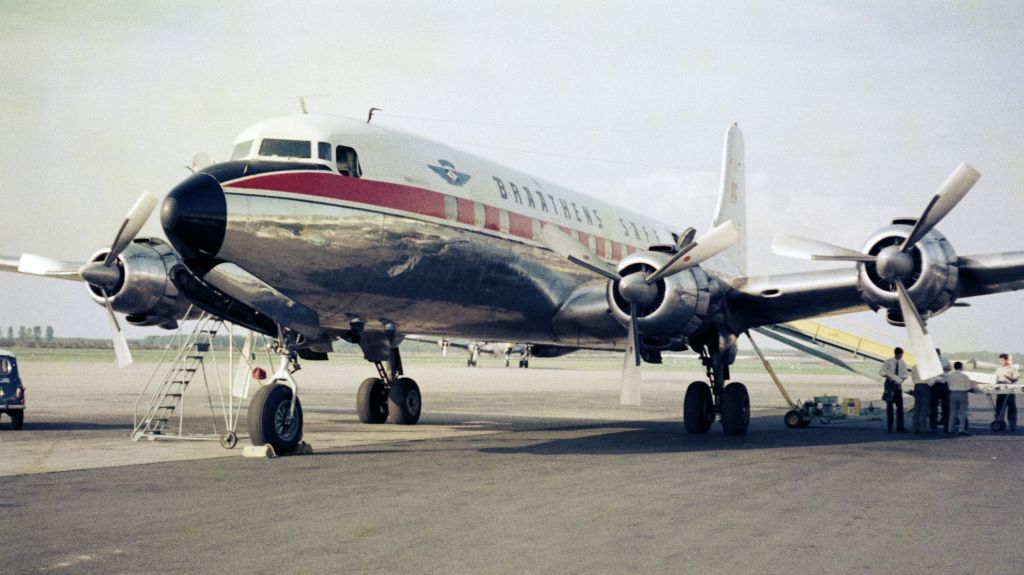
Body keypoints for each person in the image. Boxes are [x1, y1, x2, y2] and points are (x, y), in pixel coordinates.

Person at [880, 347, 909, 432]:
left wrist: (901, 381)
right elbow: (881, 371)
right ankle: (890, 427)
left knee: (900, 407)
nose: (901, 356)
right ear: (897, 354)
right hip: (889, 384)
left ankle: (900, 427)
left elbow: (906, 374)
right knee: (889, 407)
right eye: (901, 355)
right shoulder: (888, 361)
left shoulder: (902, 362)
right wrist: (887, 376)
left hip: (898, 385)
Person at [946, 361, 979, 436]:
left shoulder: (949, 375)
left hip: (952, 393)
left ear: (954, 367)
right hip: (962, 394)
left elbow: (947, 384)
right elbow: (969, 386)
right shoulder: (964, 376)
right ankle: (961, 430)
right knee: (962, 413)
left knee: (952, 412)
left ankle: (950, 429)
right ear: (961, 367)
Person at [994, 353, 1019, 431]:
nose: (1001, 362)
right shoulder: (998, 368)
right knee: (999, 406)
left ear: (1006, 360)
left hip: (1009, 388)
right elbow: (994, 378)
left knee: (1012, 407)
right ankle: (999, 423)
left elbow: (1016, 379)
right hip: (1000, 388)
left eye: (1002, 360)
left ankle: (1012, 425)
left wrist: (1009, 377)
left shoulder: (1012, 368)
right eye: (1000, 360)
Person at [929, 349, 951, 433]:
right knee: (933, 407)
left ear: (939, 354)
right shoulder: (929, 361)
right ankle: (933, 426)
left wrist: (943, 369)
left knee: (946, 406)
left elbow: (949, 368)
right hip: (935, 384)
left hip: (944, 383)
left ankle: (946, 425)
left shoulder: (944, 359)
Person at [911, 366, 932, 434]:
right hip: (925, 386)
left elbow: (913, 377)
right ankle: (923, 428)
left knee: (917, 408)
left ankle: (914, 428)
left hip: (917, 386)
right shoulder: (926, 367)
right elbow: (930, 381)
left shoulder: (914, 366)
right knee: (925, 408)